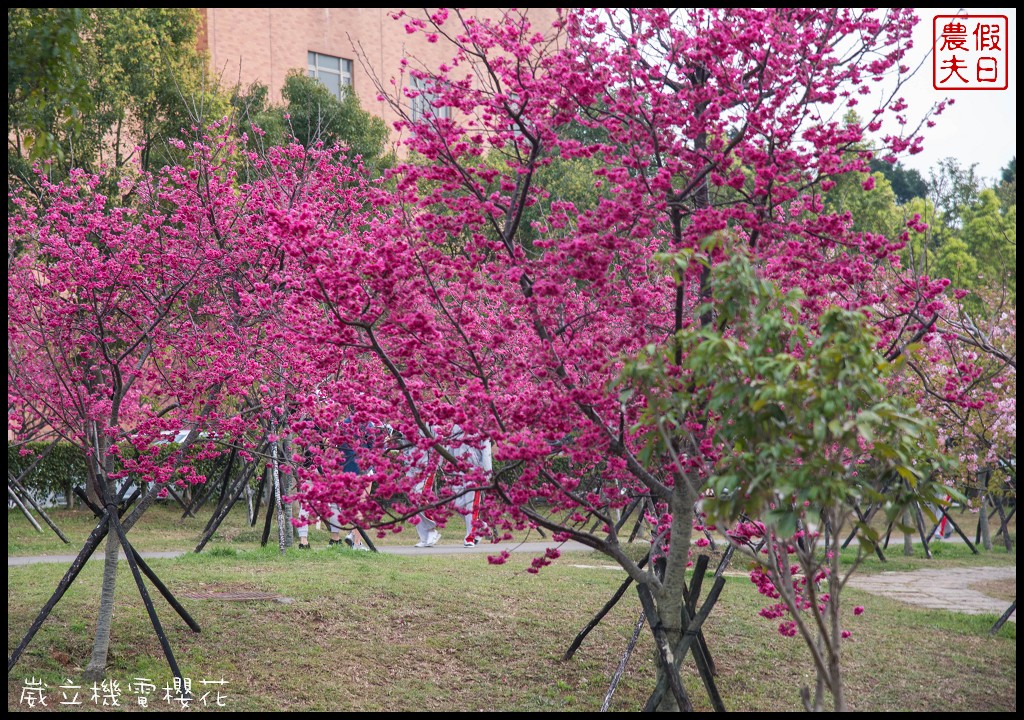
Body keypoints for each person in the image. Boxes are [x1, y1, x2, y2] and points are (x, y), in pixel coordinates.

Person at [403, 424, 491, 548]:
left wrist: (486, 474)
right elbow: (450, 448)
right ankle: (479, 525)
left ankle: (470, 537)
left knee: (471, 505)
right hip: (457, 471)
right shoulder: (456, 427)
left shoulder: (482, 429)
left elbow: (486, 452)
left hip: (474, 471)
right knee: (456, 504)